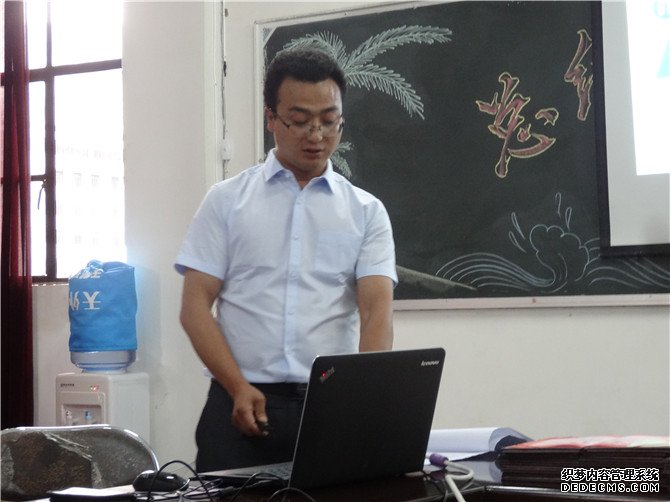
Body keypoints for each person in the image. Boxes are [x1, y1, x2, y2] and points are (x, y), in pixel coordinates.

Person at [175, 48, 397, 472]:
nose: (316, 134)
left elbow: (376, 312)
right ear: (271, 118)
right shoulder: (226, 202)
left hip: (329, 403)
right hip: (238, 402)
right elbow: (194, 307)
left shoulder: (366, 212)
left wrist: (362, 399)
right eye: (299, 120)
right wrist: (237, 386)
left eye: (329, 120)